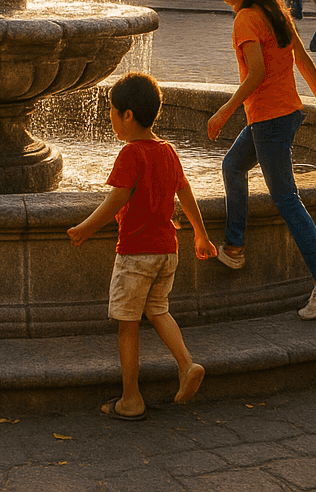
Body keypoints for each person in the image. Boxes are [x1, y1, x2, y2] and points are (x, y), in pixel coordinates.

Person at [208, 0, 316, 320]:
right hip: (286, 113)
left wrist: (224, 111)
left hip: (269, 120)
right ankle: (234, 248)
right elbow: (301, 57)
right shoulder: (274, 11)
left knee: (286, 199)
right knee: (233, 166)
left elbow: (255, 73)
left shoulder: (245, 20)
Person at [68, 72, 214, 420]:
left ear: (128, 115)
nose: (111, 119)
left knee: (127, 324)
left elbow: (116, 199)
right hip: (167, 250)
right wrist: (201, 233)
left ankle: (131, 399)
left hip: (135, 253)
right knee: (158, 310)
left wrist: (86, 228)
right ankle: (186, 364)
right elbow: (186, 192)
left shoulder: (131, 154)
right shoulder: (167, 150)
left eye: (112, 112)